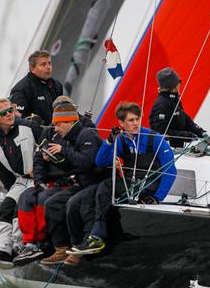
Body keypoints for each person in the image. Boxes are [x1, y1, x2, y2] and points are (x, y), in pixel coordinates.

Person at [65, 101, 176, 262]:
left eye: (137, 119)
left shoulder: (155, 138)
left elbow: (170, 170)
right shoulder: (122, 139)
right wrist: (109, 141)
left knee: (105, 186)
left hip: (149, 187)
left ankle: (97, 237)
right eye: (131, 120)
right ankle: (87, 241)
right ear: (121, 123)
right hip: (129, 185)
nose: (135, 123)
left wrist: (157, 197)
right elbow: (100, 161)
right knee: (90, 194)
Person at [15, 101, 105, 266]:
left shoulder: (87, 135)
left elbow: (87, 164)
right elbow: (73, 166)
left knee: (72, 204)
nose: (55, 129)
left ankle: (77, 247)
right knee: (52, 203)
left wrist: (64, 152)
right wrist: (56, 160)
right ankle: (60, 249)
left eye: (58, 124)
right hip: (82, 182)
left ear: (70, 122)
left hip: (96, 183)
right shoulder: (68, 136)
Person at [0, 98, 44, 269]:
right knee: (6, 207)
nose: (9, 114)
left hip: (38, 178)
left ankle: (20, 247)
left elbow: (46, 148)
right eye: (4, 113)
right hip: (19, 180)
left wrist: (39, 171)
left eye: (11, 110)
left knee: (21, 205)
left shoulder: (29, 127)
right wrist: (12, 190)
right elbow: (1, 170)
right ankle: (2, 250)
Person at [148, 67, 205, 148]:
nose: (179, 84)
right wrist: (185, 135)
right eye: (179, 82)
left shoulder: (173, 100)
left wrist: (200, 132)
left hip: (179, 150)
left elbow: (185, 119)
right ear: (173, 86)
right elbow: (161, 132)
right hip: (167, 151)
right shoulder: (162, 104)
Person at [9, 50, 63, 124]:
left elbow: (63, 111)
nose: (48, 67)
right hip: (33, 134)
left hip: (57, 132)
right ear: (32, 69)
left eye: (49, 63)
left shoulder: (57, 85)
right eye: (43, 64)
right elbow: (18, 119)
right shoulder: (21, 89)